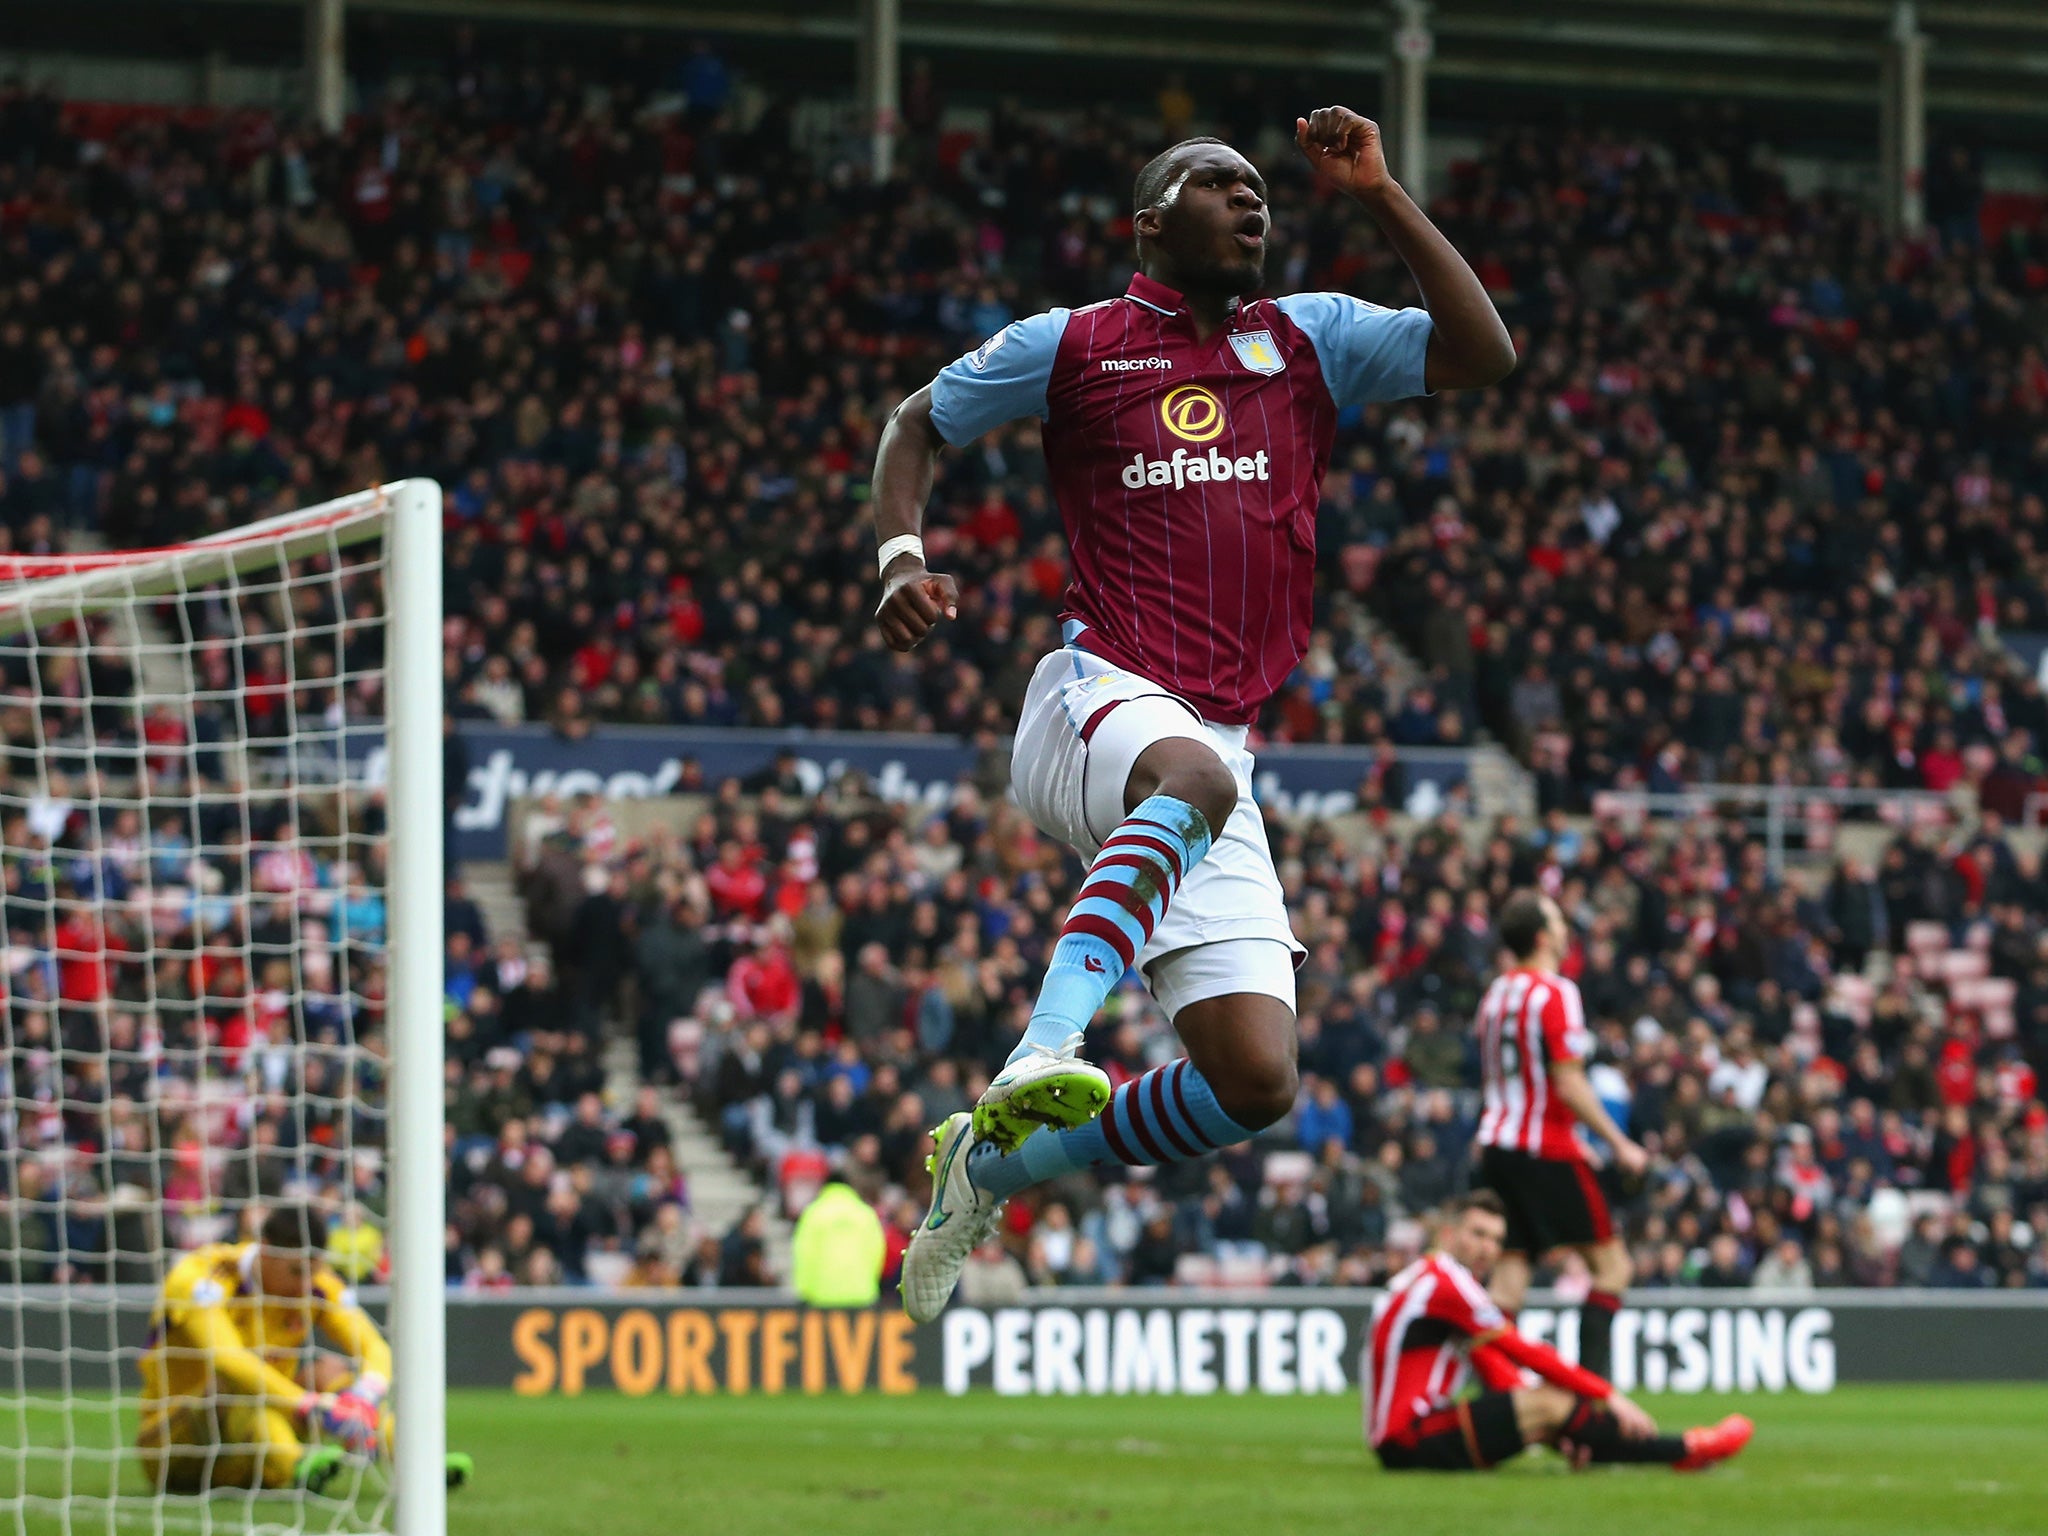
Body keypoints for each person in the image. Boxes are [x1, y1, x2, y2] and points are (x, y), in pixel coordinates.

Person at [873, 107, 1516, 1322]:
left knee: (1254, 1081)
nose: (1250, 199)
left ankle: (994, 1164)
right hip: (1093, 692)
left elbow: (1483, 355)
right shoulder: (1073, 345)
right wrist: (901, 558)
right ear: (1150, 222)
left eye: (1257, 188)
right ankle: (1043, 1050)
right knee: (1195, 783)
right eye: (1217, 185)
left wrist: (1380, 194)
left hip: (1216, 739)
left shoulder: (1309, 338)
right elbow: (915, 420)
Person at [1364, 1192, 1752, 1473]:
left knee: (1549, 1409)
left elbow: (1492, 1363)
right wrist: (1608, 1395)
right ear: (1449, 1234)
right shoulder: (1448, 1282)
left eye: (1496, 1240)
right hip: (1411, 1437)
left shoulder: (1427, 1279)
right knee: (1550, 1402)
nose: (1488, 1248)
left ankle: (1675, 1452)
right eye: (1478, 1234)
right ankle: (1685, 1447)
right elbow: (1523, 1351)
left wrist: (1556, 1427)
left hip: (1405, 1436)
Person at [136, 1205, 473, 1495]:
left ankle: (420, 1465)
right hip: (173, 1446)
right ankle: (294, 1462)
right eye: (296, 1271)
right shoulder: (201, 1277)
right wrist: (308, 1405)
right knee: (233, 1385)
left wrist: (365, 1394)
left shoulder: (315, 1284)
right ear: (265, 1249)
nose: (304, 1286)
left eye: (312, 1273)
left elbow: (373, 1345)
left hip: (252, 1445)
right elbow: (229, 1359)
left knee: (330, 1372)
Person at [1472, 890, 1650, 1379]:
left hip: (1496, 1149)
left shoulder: (1496, 995)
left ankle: (1500, 1403)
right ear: (1544, 937)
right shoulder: (1555, 992)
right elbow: (1568, 1084)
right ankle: (1589, 1413)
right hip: (1545, 1150)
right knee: (1613, 1271)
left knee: (1507, 1285)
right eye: (1556, 918)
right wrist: (1619, 1144)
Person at [790, 1173, 887, 1307]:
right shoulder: (865, 1213)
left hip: (821, 1295)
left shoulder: (813, 1213)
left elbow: (804, 1252)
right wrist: (870, 1281)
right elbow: (877, 1251)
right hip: (861, 1293)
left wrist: (805, 1290)